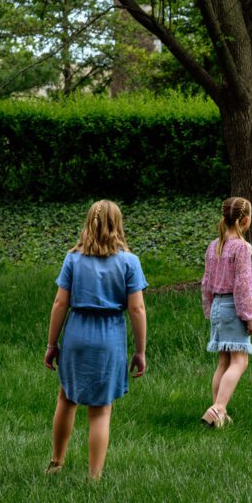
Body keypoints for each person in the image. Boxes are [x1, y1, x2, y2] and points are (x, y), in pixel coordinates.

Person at [43, 200, 148, 480]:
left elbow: (59, 304)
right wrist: (140, 351)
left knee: (66, 397)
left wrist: (52, 345)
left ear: (88, 223)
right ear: (118, 224)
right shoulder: (129, 262)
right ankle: (94, 476)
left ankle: (56, 462)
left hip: (77, 332)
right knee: (101, 410)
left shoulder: (73, 259)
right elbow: (137, 309)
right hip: (109, 335)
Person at [200, 196, 252, 428]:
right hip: (233, 308)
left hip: (217, 306)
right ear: (245, 220)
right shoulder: (241, 248)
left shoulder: (214, 245)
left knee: (223, 362)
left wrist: (210, 309)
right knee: (240, 361)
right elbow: (243, 285)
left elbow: (205, 282)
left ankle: (218, 415)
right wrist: (249, 315)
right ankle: (218, 408)